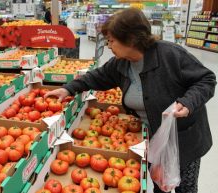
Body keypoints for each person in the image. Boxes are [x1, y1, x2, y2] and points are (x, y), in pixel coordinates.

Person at [44, 8, 216, 193]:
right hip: (150, 138)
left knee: (185, 188)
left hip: (182, 138)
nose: (109, 45)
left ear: (131, 39)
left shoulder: (170, 55)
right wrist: (68, 88)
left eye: (111, 40)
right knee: (160, 185)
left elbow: (206, 79)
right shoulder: (121, 63)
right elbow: (97, 77)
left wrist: (188, 102)